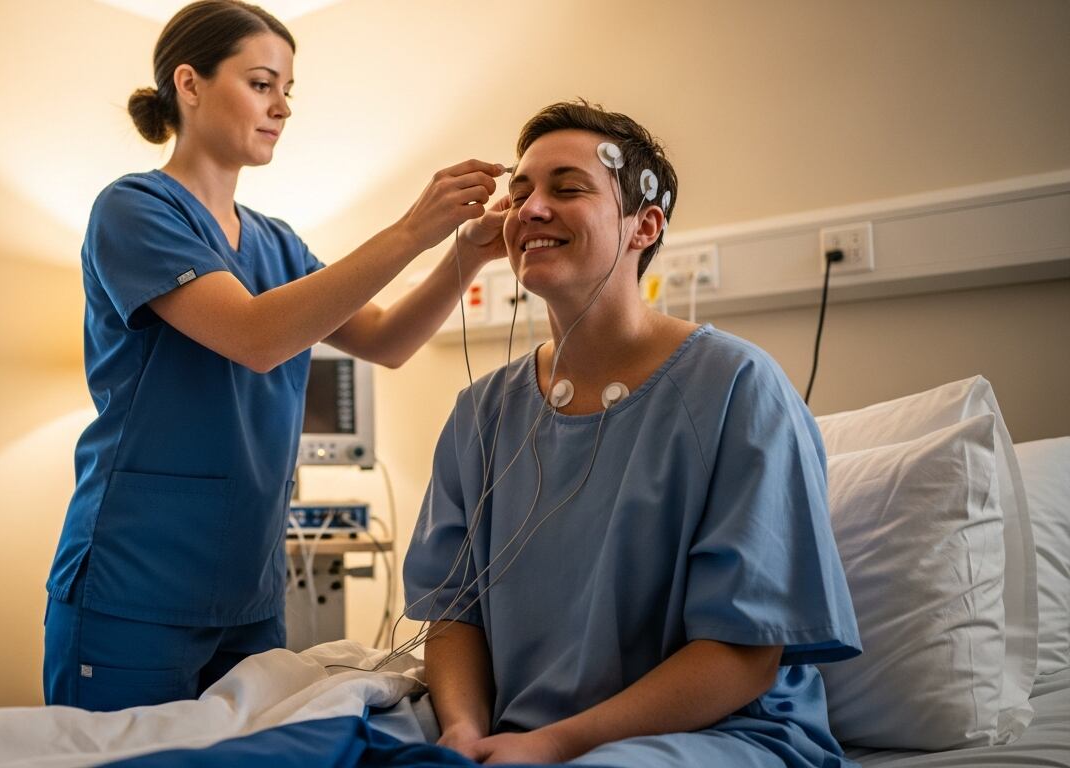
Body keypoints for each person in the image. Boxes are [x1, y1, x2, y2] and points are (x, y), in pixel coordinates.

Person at [43, 0, 508, 712]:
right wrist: (412, 229)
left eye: (288, 90)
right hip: (134, 586)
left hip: (250, 595)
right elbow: (258, 338)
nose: (282, 107)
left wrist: (462, 257)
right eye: (262, 84)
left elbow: (385, 341)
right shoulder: (134, 210)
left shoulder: (278, 242)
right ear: (189, 84)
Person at [401, 100, 862, 767]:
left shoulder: (736, 387)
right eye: (520, 192)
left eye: (568, 189)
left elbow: (744, 653)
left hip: (719, 734)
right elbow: (454, 617)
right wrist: (463, 735)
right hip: (510, 729)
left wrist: (552, 745)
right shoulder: (481, 412)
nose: (529, 209)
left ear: (644, 225)